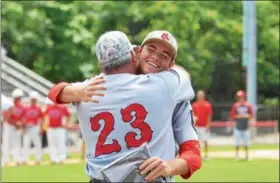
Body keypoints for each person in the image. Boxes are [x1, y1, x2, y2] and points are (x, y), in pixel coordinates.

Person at [48, 31, 201, 182]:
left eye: (164, 55)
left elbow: (54, 92)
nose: (155, 56)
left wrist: (170, 166)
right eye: (151, 49)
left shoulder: (92, 87)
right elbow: (183, 76)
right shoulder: (170, 86)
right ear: (137, 52)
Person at [2, 88, 25, 166]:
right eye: (17, 97)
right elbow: (6, 118)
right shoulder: (8, 105)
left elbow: (23, 117)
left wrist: (21, 124)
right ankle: (5, 161)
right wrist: (16, 124)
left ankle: (17, 160)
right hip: (9, 126)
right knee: (6, 144)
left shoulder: (22, 107)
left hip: (16, 127)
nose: (19, 99)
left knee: (17, 144)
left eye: (19, 97)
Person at [44, 98, 71, 164]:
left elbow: (68, 115)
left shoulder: (62, 107)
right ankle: (53, 159)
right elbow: (45, 115)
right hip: (51, 128)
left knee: (61, 143)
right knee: (52, 144)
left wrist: (66, 123)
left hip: (60, 128)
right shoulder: (48, 108)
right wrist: (46, 124)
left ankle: (61, 158)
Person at [230, 90, 254, 161]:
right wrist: (240, 116)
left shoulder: (248, 105)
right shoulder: (235, 105)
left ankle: (247, 156)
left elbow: (251, 115)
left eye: (241, 97)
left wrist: (247, 117)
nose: (240, 98)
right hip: (238, 126)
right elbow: (232, 116)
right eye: (239, 97)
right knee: (237, 142)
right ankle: (237, 156)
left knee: (246, 143)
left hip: (246, 126)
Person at [22, 91, 44, 165]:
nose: (33, 101)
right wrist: (23, 126)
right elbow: (23, 118)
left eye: (34, 99)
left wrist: (41, 128)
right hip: (27, 127)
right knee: (26, 143)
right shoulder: (26, 108)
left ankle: (38, 159)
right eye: (32, 99)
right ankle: (25, 159)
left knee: (37, 143)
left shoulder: (38, 108)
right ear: (30, 99)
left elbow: (41, 119)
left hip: (35, 127)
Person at [192, 90, 213, 160]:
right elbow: (192, 116)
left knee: (205, 141)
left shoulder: (207, 105)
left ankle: (206, 155)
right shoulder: (194, 105)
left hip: (204, 126)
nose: (200, 97)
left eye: (201, 95)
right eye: (198, 95)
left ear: (204, 96)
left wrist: (208, 125)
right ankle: (198, 155)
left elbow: (209, 115)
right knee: (196, 142)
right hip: (197, 126)